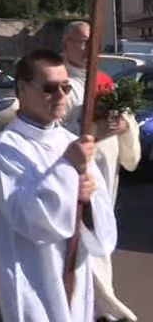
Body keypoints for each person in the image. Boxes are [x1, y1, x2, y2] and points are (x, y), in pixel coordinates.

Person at [0, 49, 117, 322]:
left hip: (75, 276)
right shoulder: (4, 150)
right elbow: (30, 220)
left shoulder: (72, 142)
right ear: (22, 88)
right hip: (34, 280)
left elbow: (101, 230)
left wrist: (88, 200)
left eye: (65, 87)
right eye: (49, 88)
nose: (60, 96)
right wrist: (68, 169)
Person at [61, 21, 140, 321]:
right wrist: (94, 130)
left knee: (101, 236)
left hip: (107, 174)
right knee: (83, 239)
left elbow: (127, 117)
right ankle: (101, 307)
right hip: (77, 176)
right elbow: (56, 131)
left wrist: (124, 125)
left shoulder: (105, 80)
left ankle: (95, 304)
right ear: (65, 44)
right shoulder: (59, 81)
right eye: (81, 41)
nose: (87, 48)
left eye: (92, 41)